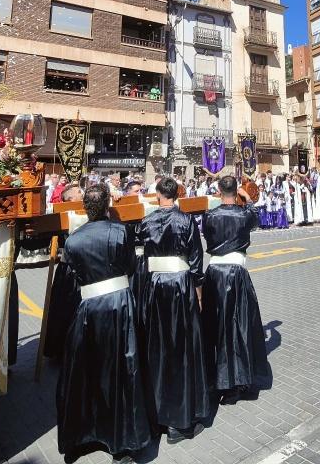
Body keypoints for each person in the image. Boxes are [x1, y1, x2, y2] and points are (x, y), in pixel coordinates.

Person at [57, 183, 152, 464]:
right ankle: (123, 443)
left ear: (85, 208)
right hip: (119, 304)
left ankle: (81, 436)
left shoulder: (73, 240)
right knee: (122, 370)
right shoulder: (120, 231)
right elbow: (130, 267)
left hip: (89, 308)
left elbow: (73, 277)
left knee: (85, 371)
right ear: (108, 204)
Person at [137, 177, 210, 443]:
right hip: (180, 285)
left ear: (158, 195)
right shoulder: (186, 221)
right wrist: (199, 292)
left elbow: (139, 255)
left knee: (157, 346)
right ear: (177, 194)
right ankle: (180, 419)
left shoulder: (146, 221)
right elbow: (196, 259)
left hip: (156, 285)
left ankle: (156, 413)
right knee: (182, 347)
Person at [201, 175, 271, 403]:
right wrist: (247, 197)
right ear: (236, 191)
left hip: (214, 272)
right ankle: (238, 379)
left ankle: (214, 378)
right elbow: (256, 217)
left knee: (214, 325)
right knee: (239, 326)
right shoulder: (244, 214)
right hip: (236, 272)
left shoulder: (209, 215)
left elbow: (207, 236)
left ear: (219, 190)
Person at [43, 183, 83, 364]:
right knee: (64, 310)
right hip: (69, 271)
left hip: (88, 269)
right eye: (79, 192)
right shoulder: (62, 216)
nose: (82, 193)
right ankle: (61, 350)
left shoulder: (89, 211)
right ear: (70, 199)